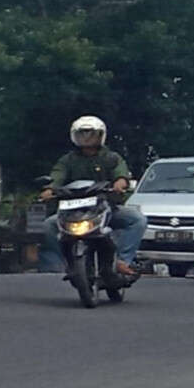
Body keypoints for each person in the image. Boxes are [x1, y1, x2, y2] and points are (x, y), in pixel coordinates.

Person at [39, 115, 148, 277]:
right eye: (82, 134)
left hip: (105, 208)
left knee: (138, 220)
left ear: (101, 135)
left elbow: (121, 173)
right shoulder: (68, 160)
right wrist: (49, 189)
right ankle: (66, 264)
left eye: (91, 134)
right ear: (74, 136)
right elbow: (57, 176)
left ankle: (123, 261)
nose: (87, 138)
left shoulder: (112, 158)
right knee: (49, 225)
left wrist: (120, 183)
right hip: (73, 210)